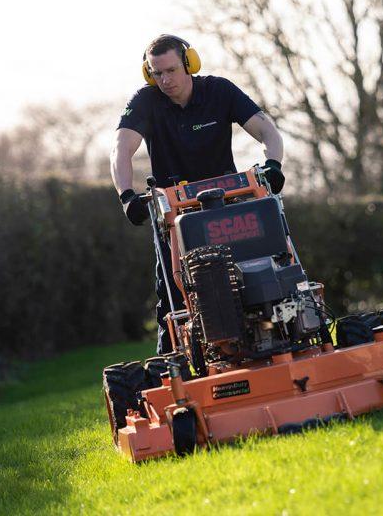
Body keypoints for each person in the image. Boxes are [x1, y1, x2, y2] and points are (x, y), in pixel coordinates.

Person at [110, 34, 285, 354]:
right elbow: (121, 151)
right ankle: (173, 365)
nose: (165, 80)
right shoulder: (145, 101)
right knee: (174, 297)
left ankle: (276, 341)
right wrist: (126, 196)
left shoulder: (219, 91)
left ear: (190, 63)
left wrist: (273, 164)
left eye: (172, 70)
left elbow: (266, 129)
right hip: (173, 214)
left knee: (257, 273)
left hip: (228, 204)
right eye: (157, 73)